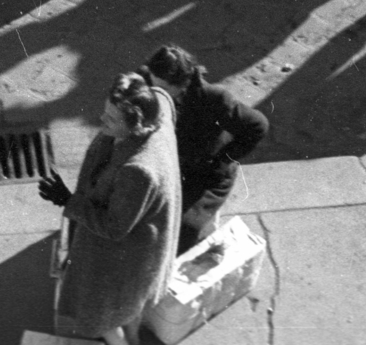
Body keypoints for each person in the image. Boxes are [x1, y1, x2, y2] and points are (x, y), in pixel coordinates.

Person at [38, 73, 181, 345]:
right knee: (129, 305)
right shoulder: (156, 112)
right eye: (106, 112)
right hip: (143, 253)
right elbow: (161, 95)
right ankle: (134, 338)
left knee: (101, 314)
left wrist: (67, 201)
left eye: (112, 119)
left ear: (136, 125)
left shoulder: (137, 171)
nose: (102, 120)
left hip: (120, 260)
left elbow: (114, 227)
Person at [144, 45, 270, 253]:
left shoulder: (213, 97)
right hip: (169, 165)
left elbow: (257, 125)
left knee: (183, 229)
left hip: (203, 173)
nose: (157, 93)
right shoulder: (149, 81)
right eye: (154, 85)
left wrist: (223, 160)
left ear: (183, 84)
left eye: (165, 89)